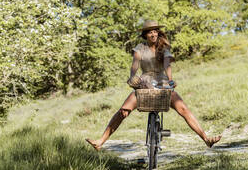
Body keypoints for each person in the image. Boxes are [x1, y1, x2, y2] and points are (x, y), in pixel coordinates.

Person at [86, 20, 221, 151]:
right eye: (150, 32)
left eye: (155, 31)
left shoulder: (164, 48)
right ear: (145, 35)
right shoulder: (140, 48)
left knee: (183, 108)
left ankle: (206, 138)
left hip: (163, 82)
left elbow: (167, 65)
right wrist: (132, 76)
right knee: (123, 111)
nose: (153, 34)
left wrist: (171, 80)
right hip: (145, 82)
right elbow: (135, 65)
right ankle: (100, 141)